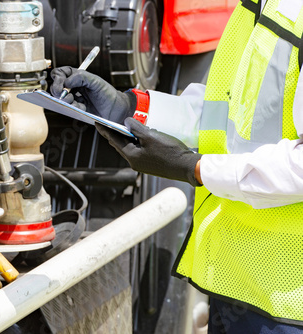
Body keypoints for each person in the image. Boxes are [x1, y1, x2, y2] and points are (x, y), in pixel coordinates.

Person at [50, 0, 303, 333]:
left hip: (287, 303)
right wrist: (131, 107)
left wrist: (194, 168)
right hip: (239, 288)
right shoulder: (260, 6)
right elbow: (224, 114)